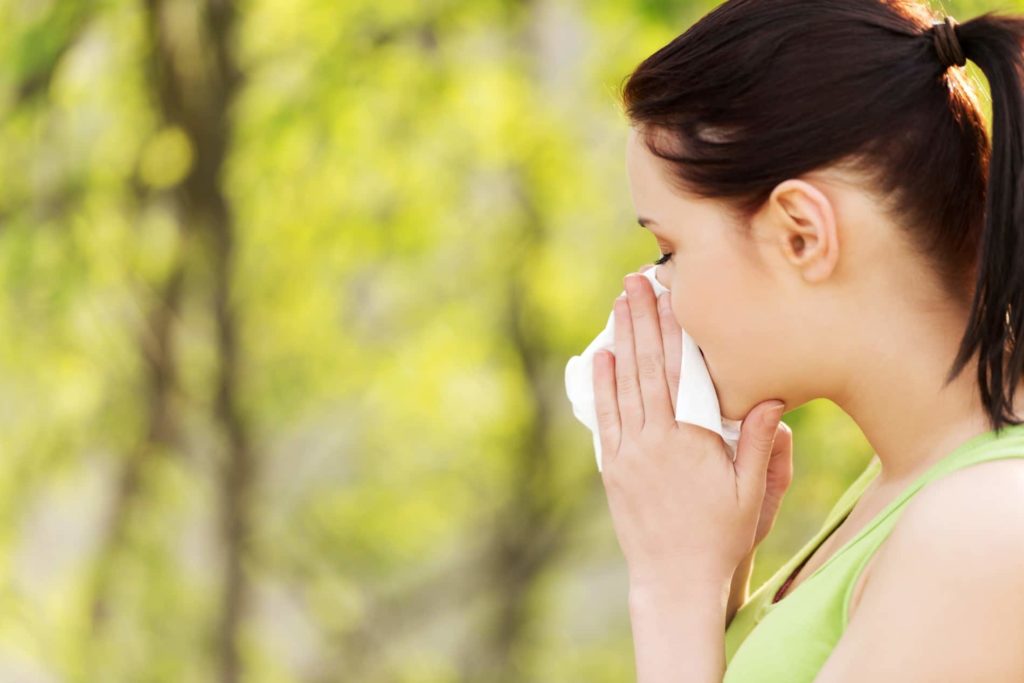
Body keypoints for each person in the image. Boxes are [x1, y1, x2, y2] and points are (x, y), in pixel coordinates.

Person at [590, 1, 1024, 681]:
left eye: (669, 249)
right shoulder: (905, 482)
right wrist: (718, 575)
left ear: (802, 233)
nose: (654, 289)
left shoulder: (987, 530)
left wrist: (672, 591)